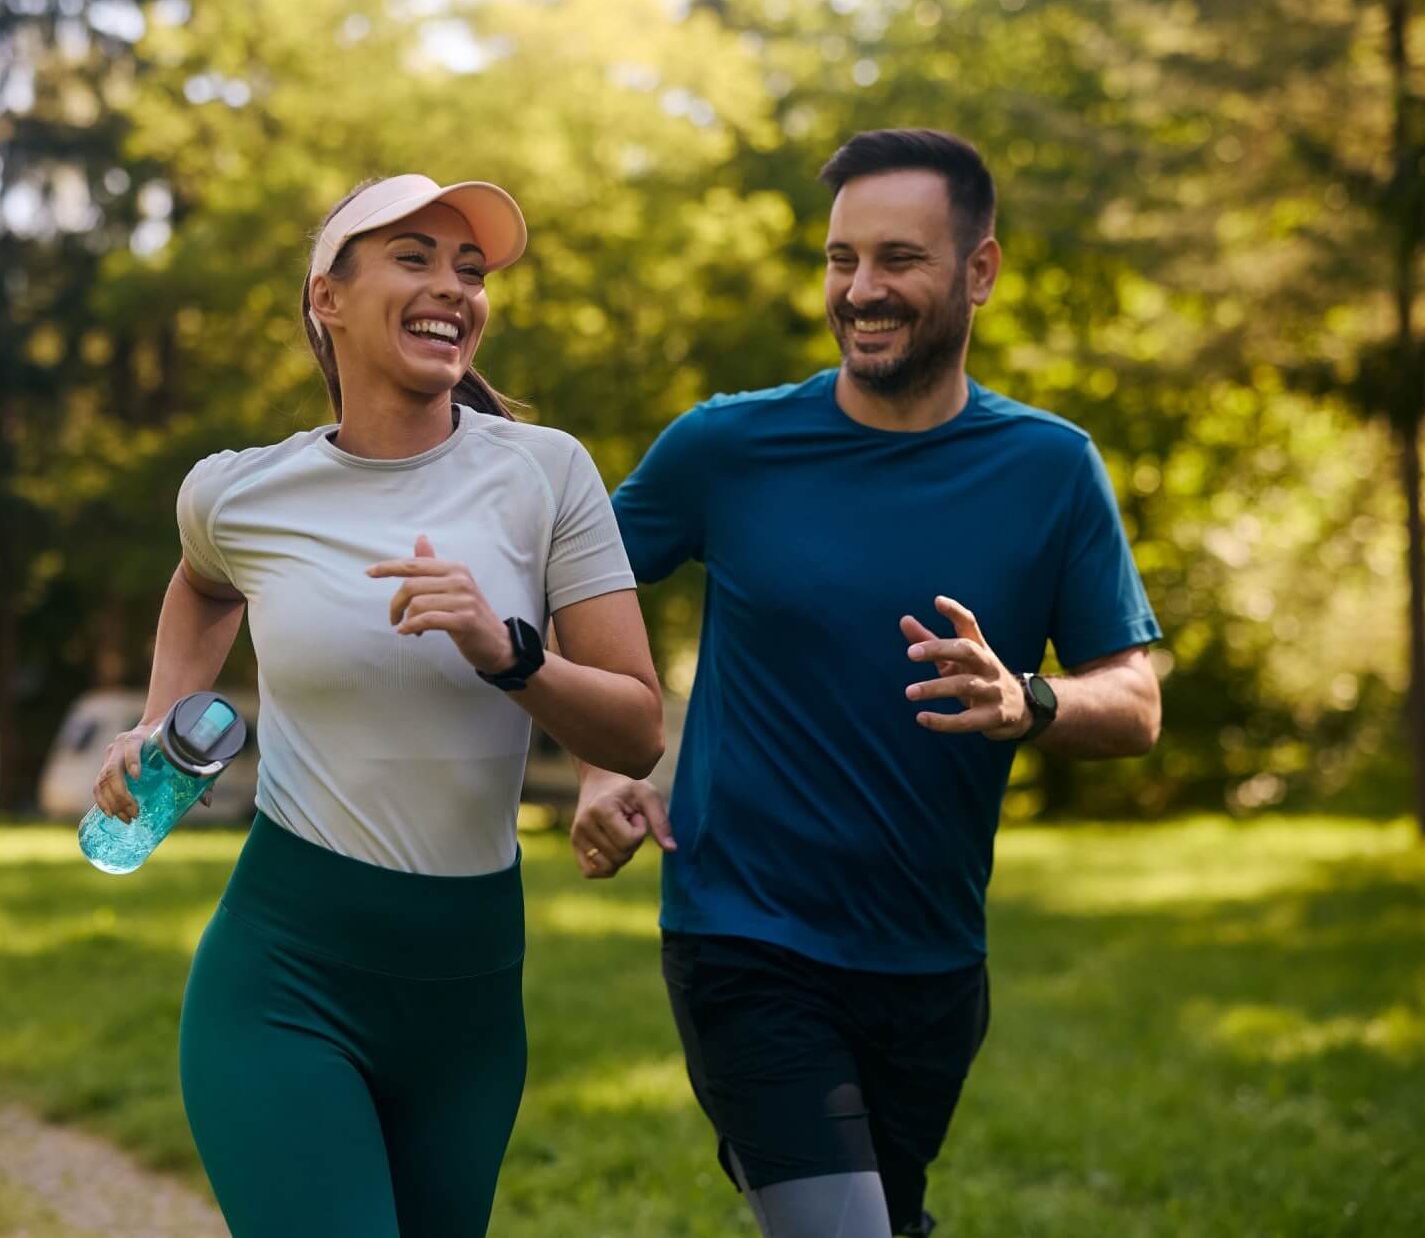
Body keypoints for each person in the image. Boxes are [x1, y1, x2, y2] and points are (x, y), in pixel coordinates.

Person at [571, 129, 1163, 1238]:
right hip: (744, 935)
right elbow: (571, 584)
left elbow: (1132, 702)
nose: (862, 290)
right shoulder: (727, 447)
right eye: (842, 260)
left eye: (898, 259)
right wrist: (605, 759)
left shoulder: (1049, 467)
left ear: (979, 270)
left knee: (888, 1221)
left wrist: (1026, 701)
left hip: (930, 957)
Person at [90, 174, 663, 1238]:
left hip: (470, 994)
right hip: (285, 977)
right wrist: (161, 716)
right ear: (328, 298)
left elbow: (634, 725)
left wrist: (508, 652)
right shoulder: (239, 491)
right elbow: (203, 580)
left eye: (470, 270)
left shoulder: (547, 477)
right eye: (414, 256)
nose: (453, 286)